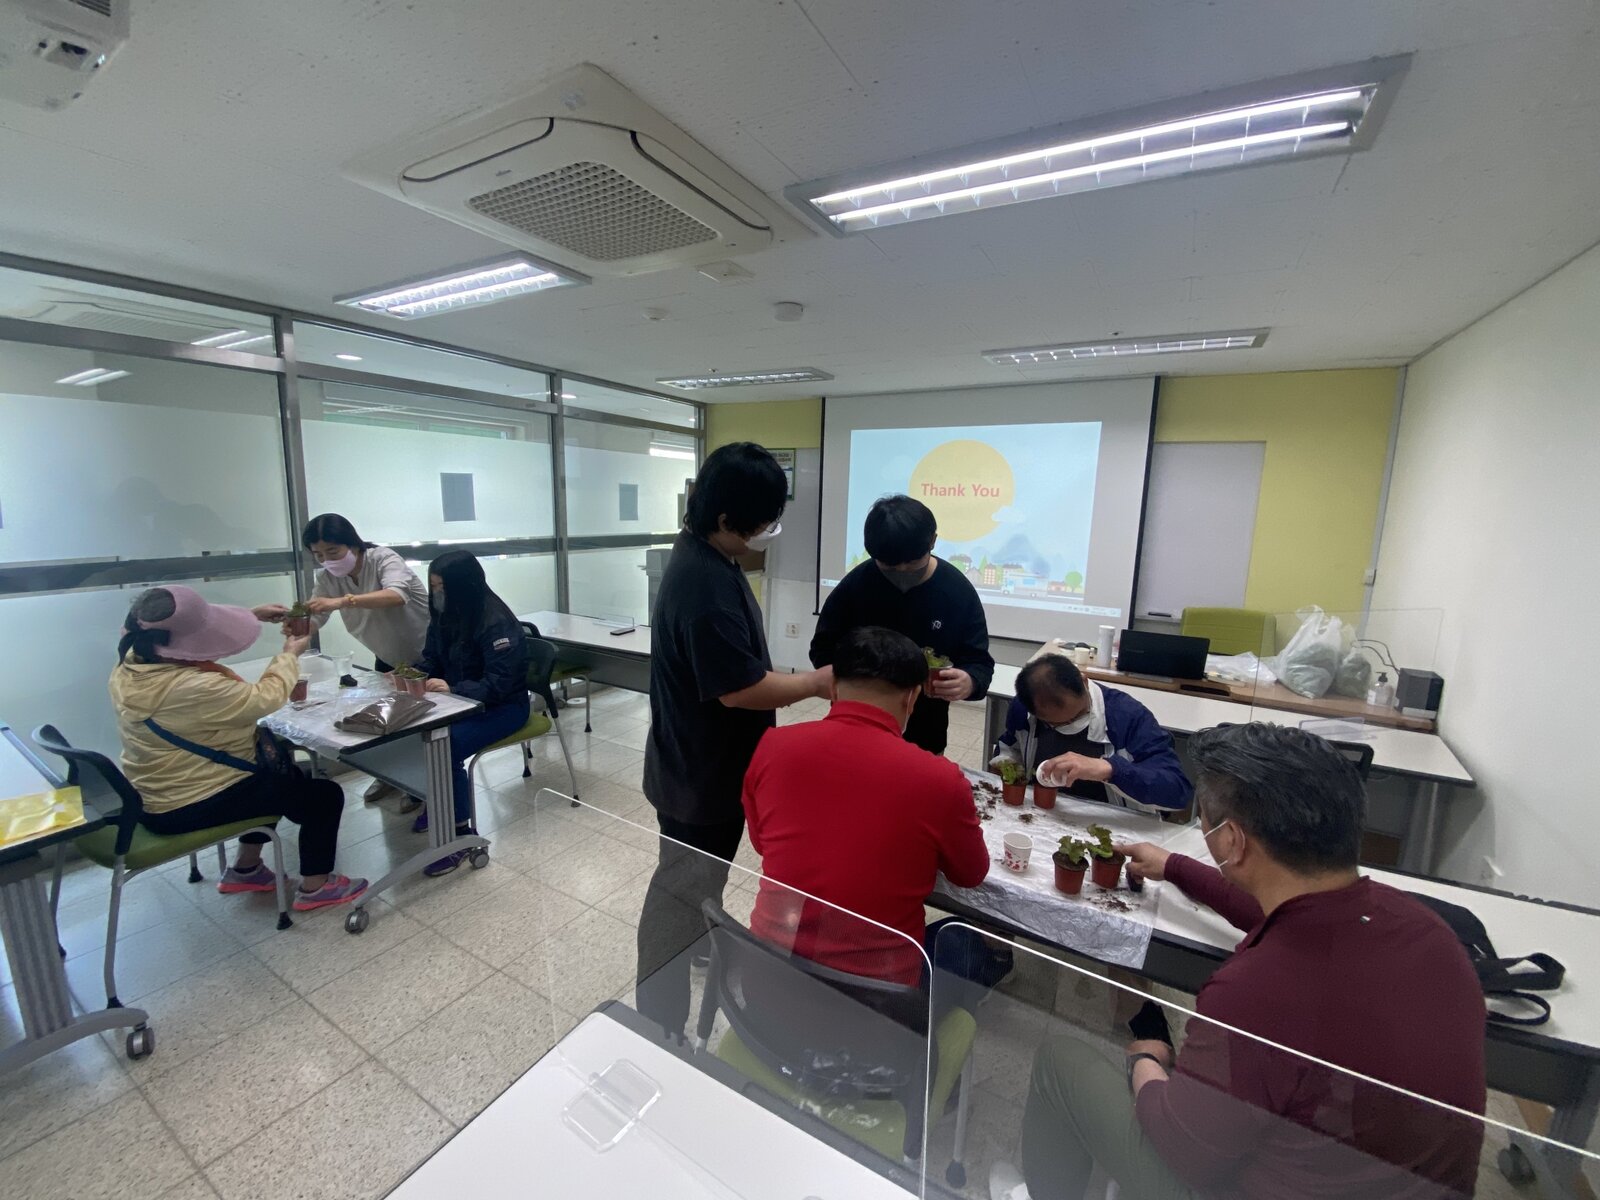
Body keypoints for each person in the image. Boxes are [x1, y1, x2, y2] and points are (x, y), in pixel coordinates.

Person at [995, 723, 1486, 1200]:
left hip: (1225, 1179)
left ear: (1231, 841)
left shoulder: (1254, 990)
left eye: (1204, 822)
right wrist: (1175, 867)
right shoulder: (1431, 933)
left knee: (1061, 1061)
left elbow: (1184, 1149)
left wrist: (1147, 1063)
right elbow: (1278, 907)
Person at [637, 441, 831, 1038]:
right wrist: (814, 683)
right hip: (700, 777)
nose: (766, 532)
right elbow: (740, 690)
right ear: (724, 517)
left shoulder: (706, 553)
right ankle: (660, 1022)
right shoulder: (704, 586)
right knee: (677, 893)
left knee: (698, 879)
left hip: (696, 760)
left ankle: (698, 943)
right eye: (760, 522)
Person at [742, 626, 990, 988]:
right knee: (969, 940)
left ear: (834, 688)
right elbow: (970, 874)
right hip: (877, 1000)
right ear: (912, 698)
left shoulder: (772, 745)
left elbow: (762, 843)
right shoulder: (940, 779)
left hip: (766, 977)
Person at [109, 586, 367, 911]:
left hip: (155, 796)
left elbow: (190, 646)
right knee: (323, 795)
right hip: (190, 805)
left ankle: (246, 869)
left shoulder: (130, 666)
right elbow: (265, 697)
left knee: (281, 779)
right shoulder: (195, 686)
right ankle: (316, 886)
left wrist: (251, 616)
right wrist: (290, 653)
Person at [254, 513, 431, 804]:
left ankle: (423, 786)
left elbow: (396, 595)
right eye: (318, 555)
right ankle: (389, 775)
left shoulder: (383, 559)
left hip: (426, 655)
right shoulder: (326, 578)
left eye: (333, 551)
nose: (327, 560)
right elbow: (318, 615)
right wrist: (299, 627)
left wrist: (342, 601)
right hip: (387, 656)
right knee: (386, 720)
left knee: (421, 723)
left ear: (354, 545)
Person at [811, 495, 993, 755]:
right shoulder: (855, 586)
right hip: (856, 723)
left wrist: (969, 681)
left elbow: (979, 662)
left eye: (912, 562)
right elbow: (822, 650)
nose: (903, 570)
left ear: (932, 541)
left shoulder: (956, 591)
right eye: (889, 565)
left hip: (925, 731)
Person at [410, 549, 531, 877]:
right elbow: (432, 657)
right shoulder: (445, 614)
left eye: (442, 588)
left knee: (444, 745)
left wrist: (453, 689)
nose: (436, 594)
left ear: (462, 586)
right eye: (433, 587)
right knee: (411, 735)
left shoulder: (495, 621)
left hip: (504, 707)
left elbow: (501, 683)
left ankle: (459, 833)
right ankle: (438, 802)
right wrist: (413, 675)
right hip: (459, 701)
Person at [992, 641, 1192, 813]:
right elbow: (1010, 746)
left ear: (1084, 682)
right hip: (1044, 812)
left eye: (1078, 715)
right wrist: (1009, 765)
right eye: (1056, 724)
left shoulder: (1128, 716)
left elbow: (1178, 792)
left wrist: (1110, 769)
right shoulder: (1023, 708)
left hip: (1111, 818)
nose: (1070, 726)